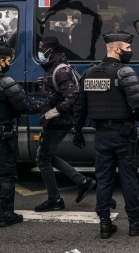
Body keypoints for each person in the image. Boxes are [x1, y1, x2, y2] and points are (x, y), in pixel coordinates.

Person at [73, 31, 139, 239]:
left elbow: (80, 106)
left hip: (102, 136)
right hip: (124, 135)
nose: (130, 52)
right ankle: (135, 223)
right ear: (117, 49)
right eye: (128, 49)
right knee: (129, 179)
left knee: (103, 179)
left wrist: (77, 130)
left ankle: (105, 224)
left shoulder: (89, 74)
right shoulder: (124, 72)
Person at [0, 46, 48, 226]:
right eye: (9, 60)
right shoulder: (6, 82)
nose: (9, 63)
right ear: (2, 61)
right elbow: (25, 107)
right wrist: (45, 103)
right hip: (1, 135)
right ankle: (6, 215)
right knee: (6, 175)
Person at [33, 36, 96, 212]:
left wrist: (49, 114)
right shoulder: (53, 68)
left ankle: (55, 200)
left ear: (50, 50)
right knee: (46, 156)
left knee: (43, 159)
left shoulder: (61, 70)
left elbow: (71, 99)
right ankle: (82, 181)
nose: (39, 51)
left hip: (58, 121)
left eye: (41, 48)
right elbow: (59, 91)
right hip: (57, 121)